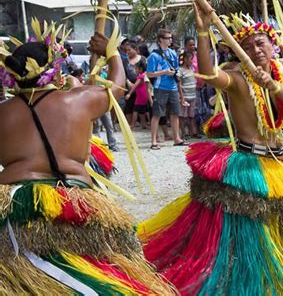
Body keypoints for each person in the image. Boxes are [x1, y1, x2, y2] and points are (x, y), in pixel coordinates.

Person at [136, 6, 283, 295]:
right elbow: (207, 74)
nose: (256, 49)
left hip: (282, 162)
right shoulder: (238, 78)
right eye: (248, 45)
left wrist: (275, 87)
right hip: (248, 162)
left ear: (272, 45)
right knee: (249, 230)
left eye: (260, 43)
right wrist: (203, 31)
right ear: (240, 50)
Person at [0, 22, 174, 294]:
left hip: (11, 203)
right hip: (74, 198)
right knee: (109, 268)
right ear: (55, 70)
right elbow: (116, 89)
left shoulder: (3, 112)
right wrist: (111, 52)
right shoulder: (78, 100)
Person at [147, 29, 186, 149]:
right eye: (168, 38)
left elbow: (176, 68)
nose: (170, 40)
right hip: (160, 88)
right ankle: (154, 141)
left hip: (173, 87)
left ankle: (177, 138)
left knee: (175, 113)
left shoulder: (173, 53)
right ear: (160, 40)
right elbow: (149, 74)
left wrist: (177, 73)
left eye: (170, 38)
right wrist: (164, 72)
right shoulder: (153, 55)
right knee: (157, 114)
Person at [125, 59, 152, 130]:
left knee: (135, 110)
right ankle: (144, 124)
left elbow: (134, 86)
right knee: (142, 111)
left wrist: (129, 94)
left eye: (136, 69)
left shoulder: (141, 77)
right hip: (143, 96)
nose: (135, 71)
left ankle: (132, 125)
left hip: (140, 97)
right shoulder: (144, 75)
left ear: (140, 69)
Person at [178, 51, 199, 138]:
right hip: (185, 97)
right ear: (185, 59)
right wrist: (182, 97)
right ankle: (184, 133)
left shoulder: (192, 69)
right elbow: (179, 84)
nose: (192, 61)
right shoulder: (180, 70)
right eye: (191, 59)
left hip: (193, 96)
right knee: (183, 116)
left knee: (191, 115)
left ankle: (192, 132)